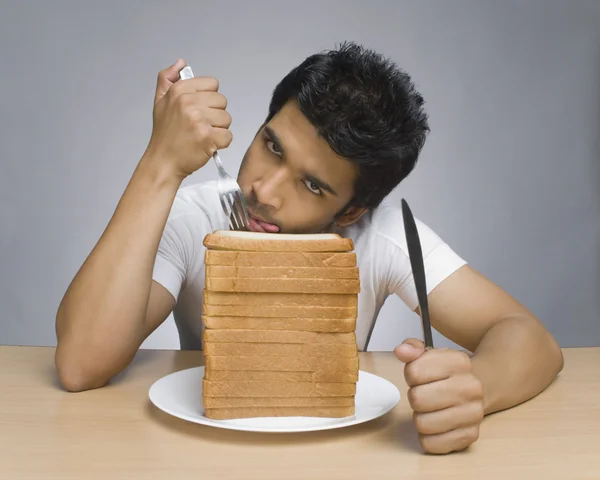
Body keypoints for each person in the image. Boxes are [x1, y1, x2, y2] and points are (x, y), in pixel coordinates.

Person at [55, 42, 563, 454]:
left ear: (352, 212)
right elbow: (81, 363)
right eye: (272, 146)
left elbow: (530, 340)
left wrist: (474, 391)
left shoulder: (379, 238)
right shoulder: (198, 217)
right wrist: (160, 164)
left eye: (313, 186)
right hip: (208, 454)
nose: (264, 191)